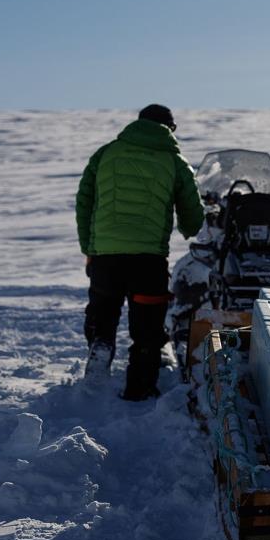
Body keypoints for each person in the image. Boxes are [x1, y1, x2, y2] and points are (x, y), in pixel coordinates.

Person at [76, 104, 205, 400]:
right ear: (170, 128)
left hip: (105, 258)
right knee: (147, 326)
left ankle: (101, 344)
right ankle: (140, 388)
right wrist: (189, 228)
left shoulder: (105, 154)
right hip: (148, 261)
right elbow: (193, 213)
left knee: (104, 307)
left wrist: (90, 248)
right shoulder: (175, 161)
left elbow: (84, 201)